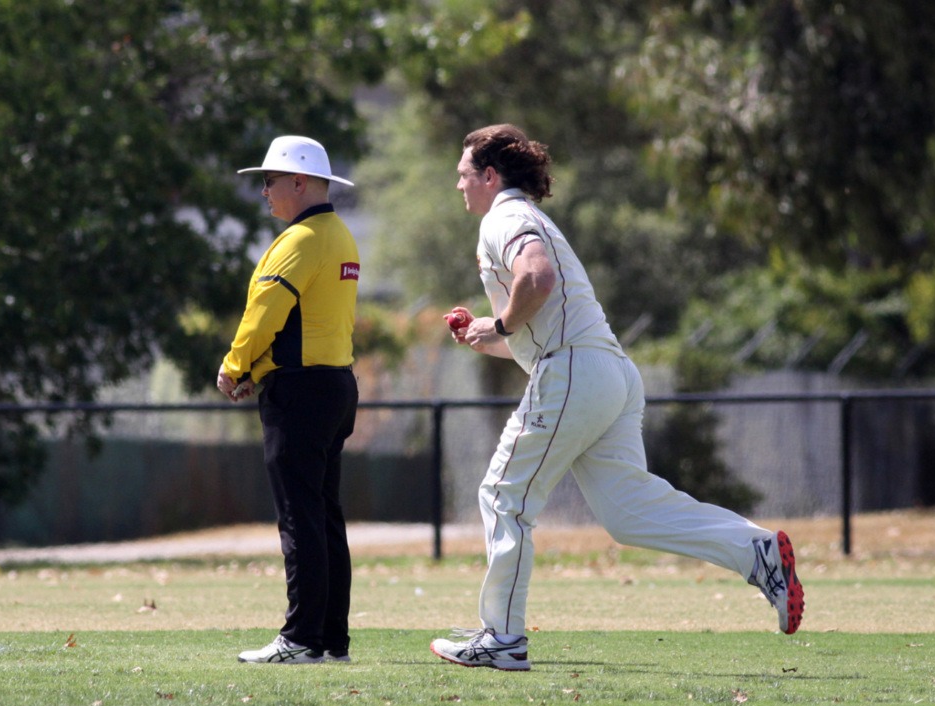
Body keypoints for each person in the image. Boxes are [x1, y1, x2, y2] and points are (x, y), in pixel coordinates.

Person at [431, 124, 805, 672]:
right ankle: (758, 551)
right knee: (629, 513)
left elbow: (536, 278)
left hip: (576, 372)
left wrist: (506, 323)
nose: (458, 185)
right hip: (608, 372)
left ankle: (502, 639)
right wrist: (491, 332)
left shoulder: (504, 215)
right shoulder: (524, 217)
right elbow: (540, 325)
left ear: (490, 176)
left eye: (463, 174)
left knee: (501, 496)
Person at [219, 136, 363, 664]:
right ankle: (330, 640)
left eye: (270, 180)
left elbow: (264, 315)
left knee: (299, 518)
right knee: (323, 515)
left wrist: (236, 366)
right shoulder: (340, 236)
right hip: (336, 386)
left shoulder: (300, 239)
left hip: (300, 392)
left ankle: (301, 638)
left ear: (299, 182)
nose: (263, 192)